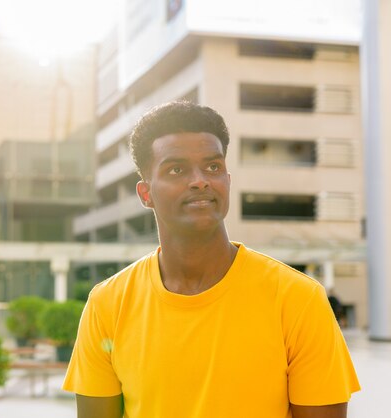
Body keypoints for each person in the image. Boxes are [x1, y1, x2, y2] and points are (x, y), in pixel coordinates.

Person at [62, 100, 360, 418]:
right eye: (176, 169)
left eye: (213, 167)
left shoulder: (298, 299)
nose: (200, 180)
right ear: (145, 194)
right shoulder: (107, 304)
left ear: (227, 181)